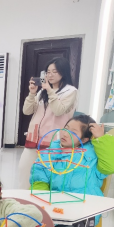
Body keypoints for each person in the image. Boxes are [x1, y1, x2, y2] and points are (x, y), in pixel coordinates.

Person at [30, 115, 114, 227]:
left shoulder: (92, 156)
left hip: (83, 210)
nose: (65, 133)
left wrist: (101, 139)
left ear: (84, 139)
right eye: (66, 128)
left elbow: (112, 166)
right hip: (54, 207)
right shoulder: (51, 152)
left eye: (73, 132)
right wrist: (43, 199)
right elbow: (39, 177)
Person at [19, 57, 78, 188]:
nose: (50, 75)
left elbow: (58, 110)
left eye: (54, 72)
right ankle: (24, 197)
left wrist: (50, 91)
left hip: (53, 140)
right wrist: (32, 94)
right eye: (48, 72)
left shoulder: (70, 91)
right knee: (25, 171)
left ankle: (43, 198)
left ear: (63, 72)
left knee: (47, 175)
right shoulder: (42, 92)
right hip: (34, 139)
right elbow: (26, 111)